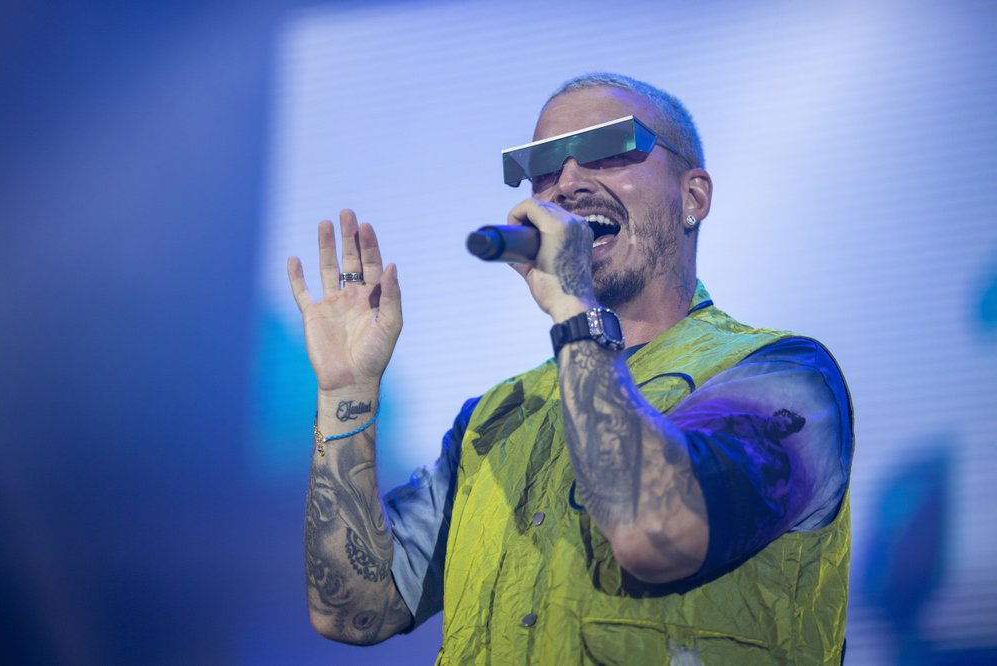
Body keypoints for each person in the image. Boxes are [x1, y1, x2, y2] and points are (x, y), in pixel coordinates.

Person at [287, 73, 853, 664]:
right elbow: (353, 609)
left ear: (693, 198)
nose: (569, 183)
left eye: (609, 149)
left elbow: (654, 531)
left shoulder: (781, 377)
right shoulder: (494, 421)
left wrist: (573, 305)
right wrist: (346, 391)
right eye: (543, 168)